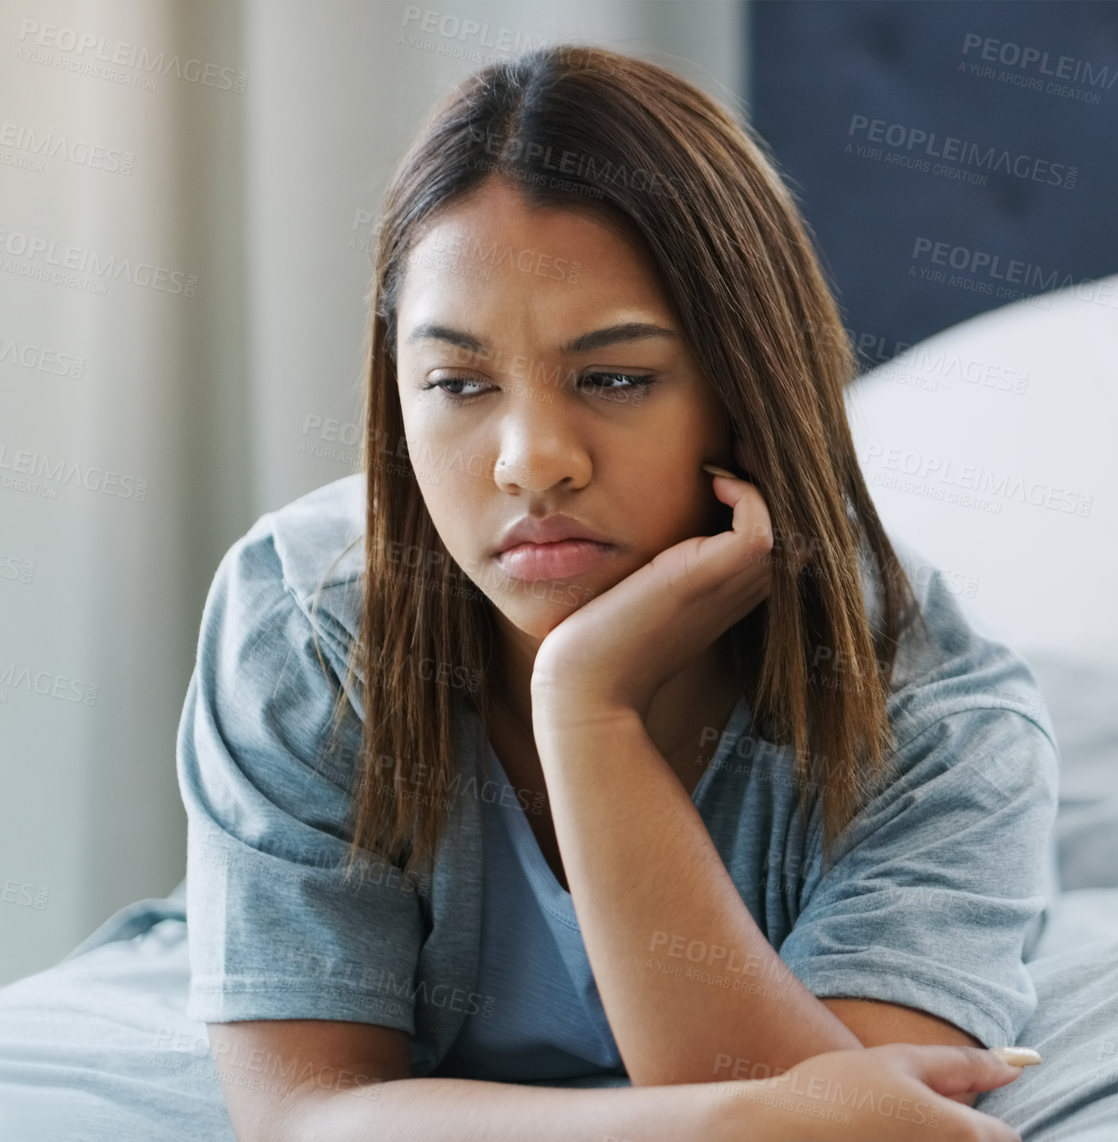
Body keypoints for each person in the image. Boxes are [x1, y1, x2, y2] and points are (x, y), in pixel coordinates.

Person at [177, 43, 1057, 1142]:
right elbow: (302, 1110)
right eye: (456, 383)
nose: (530, 460)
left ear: (744, 387)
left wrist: (584, 710)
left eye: (615, 377)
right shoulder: (304, 618)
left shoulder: (932, 716)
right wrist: (724, 1119)